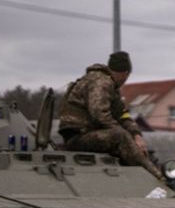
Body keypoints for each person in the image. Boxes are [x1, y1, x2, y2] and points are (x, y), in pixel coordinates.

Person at [57, 51, 162, 179]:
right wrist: (126, 135)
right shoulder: (101, 82)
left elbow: (122, 115)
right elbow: (99, 115)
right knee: (120, 136)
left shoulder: (112, 87)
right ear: (125, 74)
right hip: (78, 137)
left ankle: (148, 178)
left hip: (91, 135)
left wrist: (136, 135)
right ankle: (157, 177)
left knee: (133, 144)